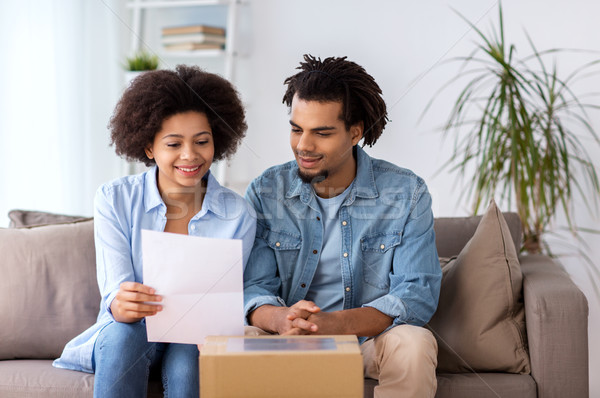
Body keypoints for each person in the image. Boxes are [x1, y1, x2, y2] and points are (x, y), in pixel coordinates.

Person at [243, 55, 441, 398]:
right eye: (296, 129)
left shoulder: (406, 192)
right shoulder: (265, 191)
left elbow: (416, 293)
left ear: (355, 133)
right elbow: (254, 287)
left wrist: (332, 325)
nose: (304, 145)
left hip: (366, 342)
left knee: (413, 343)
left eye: (321, 133)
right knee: (238, 341)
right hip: (287, 337)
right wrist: (283, 320)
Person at [53, 65, 256, 398]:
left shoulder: (239, 214)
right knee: (124, 334)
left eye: (201, 142)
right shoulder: (114, 199)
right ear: (149, 148)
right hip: (129, 335)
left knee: (189, 357)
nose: (190, 155)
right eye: (173, 144)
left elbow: (230, 299)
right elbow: (114, 294)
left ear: (216, 142)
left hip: (191, 340)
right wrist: (122, 303)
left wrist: (218, 328)